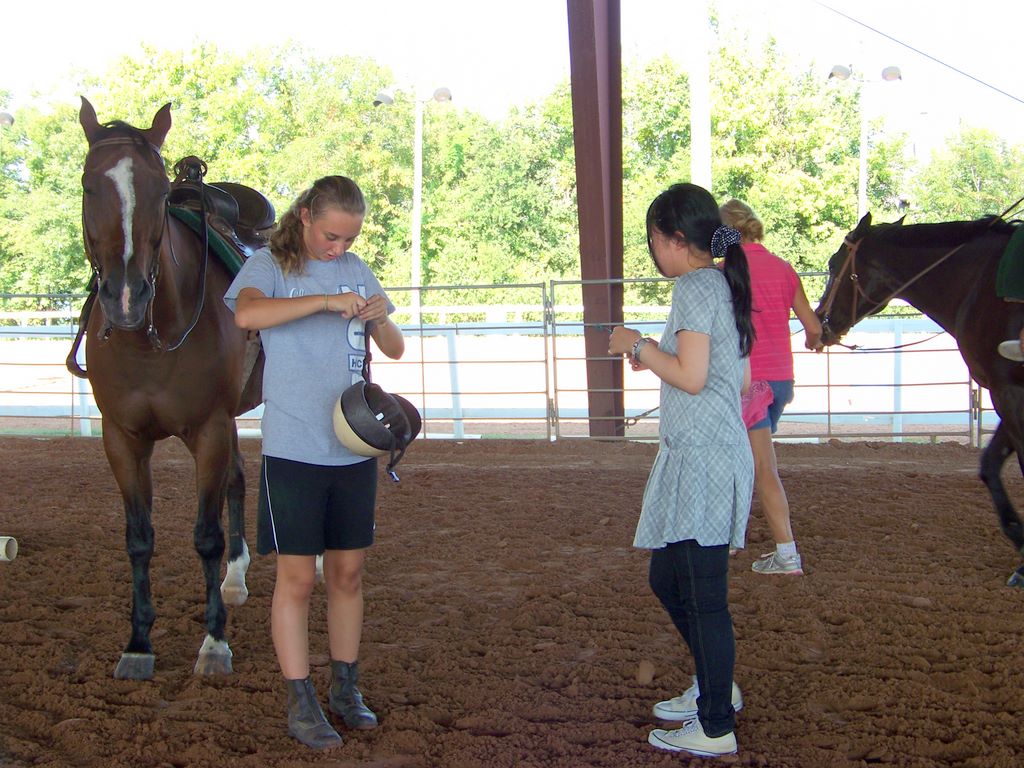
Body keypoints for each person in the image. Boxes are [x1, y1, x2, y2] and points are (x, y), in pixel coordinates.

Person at [224, 175, 406, 750]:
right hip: (294, 449)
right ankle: (300, 699)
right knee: (298, 578)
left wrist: (379, 315)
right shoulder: (269, 266)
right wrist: (327, 301)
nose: (339, 248)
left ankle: (345, 688)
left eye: (349, 239)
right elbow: (246, 315)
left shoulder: (356, 268)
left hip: (352, 447)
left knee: (348, 574)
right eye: (332, 236)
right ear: (305, 216)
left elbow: (395, 347)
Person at [609, 183, 754, 758]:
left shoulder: (696, 287)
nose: (651, 250)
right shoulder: (721, 284)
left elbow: (691, 377)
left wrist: (638, 345)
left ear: (671, 238)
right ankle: (717, 687)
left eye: (651, 239)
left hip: (703, 460)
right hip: (707, 453)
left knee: (701, 594)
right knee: (669, 579)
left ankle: (715, 724)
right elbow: (732, 377)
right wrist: (656, 356)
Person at [719, 199, 822, 576]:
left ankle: (786, 554)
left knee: (761, 467)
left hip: (747, 383)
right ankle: (729, 538)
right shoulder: (783, 268)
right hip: (780, 382)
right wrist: (815, 339)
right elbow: (813, 328)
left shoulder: (724, 273)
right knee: (744, 459)